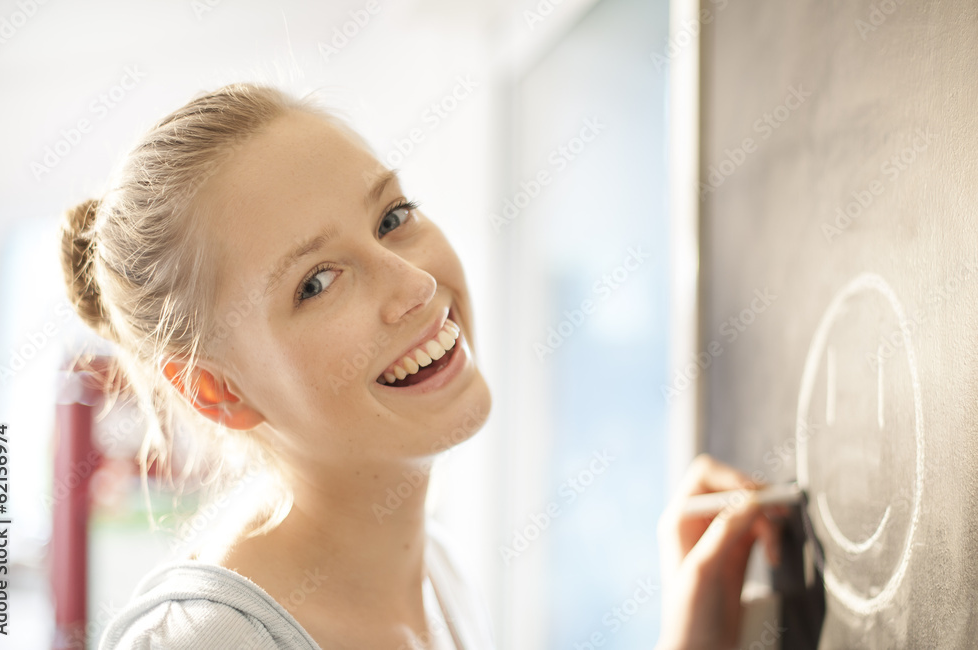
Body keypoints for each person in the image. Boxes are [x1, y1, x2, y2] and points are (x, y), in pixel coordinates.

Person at [61, 83, 780, 650]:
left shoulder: (432, 572)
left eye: (392, 217)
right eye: (316, 282)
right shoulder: (208, 643)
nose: (416, 286)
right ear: (219, 391)